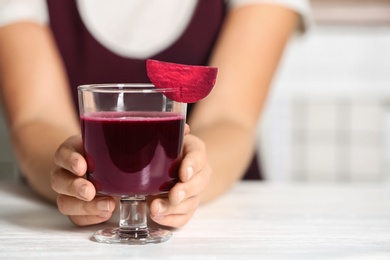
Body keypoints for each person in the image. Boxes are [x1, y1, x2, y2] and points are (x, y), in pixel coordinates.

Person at [0, 1, 310, 228]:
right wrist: (73, 177)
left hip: (222, 230)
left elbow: (230, 118)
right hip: (55, 232)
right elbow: (35, 118)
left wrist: (189, 182)